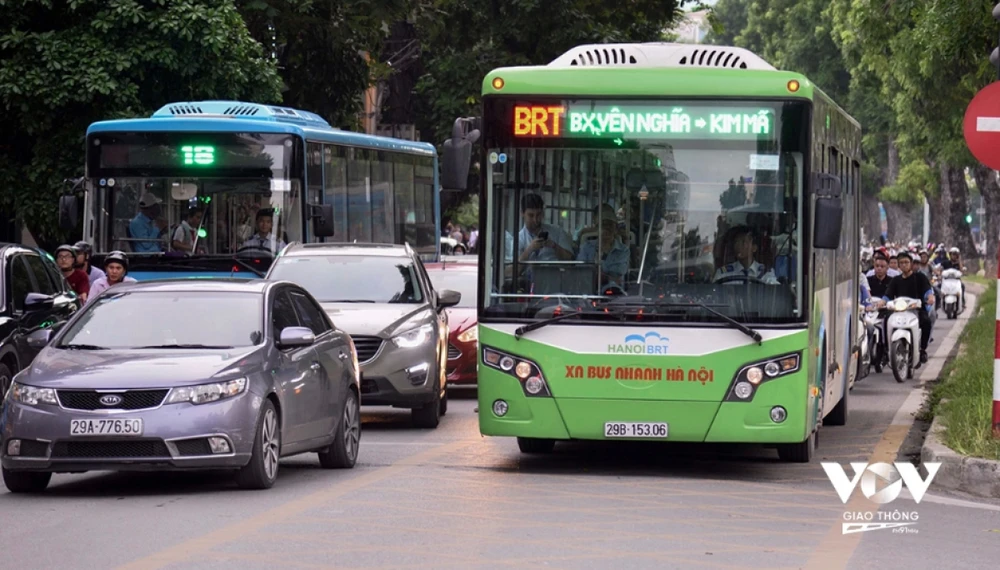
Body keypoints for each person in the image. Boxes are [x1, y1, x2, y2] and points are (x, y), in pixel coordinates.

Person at [883, 251, 935, 364]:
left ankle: (922, 349)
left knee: (926, 321)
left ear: (911, 263)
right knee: (886, 320)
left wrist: (930, 297)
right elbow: (888, 295)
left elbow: (927, 290)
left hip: (916, 309)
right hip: (899, 309)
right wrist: (882, 302)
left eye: (906, 262)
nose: (903, 265)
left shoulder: (920, 277)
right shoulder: (895, 280)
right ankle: (887, 350)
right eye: (901, 263)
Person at [577, 208, 631, 289]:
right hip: (588, 287)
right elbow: (580, 268)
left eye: (610, 225)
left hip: (614, 289)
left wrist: (597, 271)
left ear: (616, 229)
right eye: (603, 225)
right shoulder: (587, 247)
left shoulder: (623, 250)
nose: (607, 228)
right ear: (597, 228)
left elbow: (619, 271)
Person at [516, 193, 574, 263]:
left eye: (538, 215)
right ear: (522, 213)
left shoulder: (557, 231)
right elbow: (511, 270)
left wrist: (554, 246)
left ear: (543, 213)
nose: (535, 220)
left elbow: (571, 260)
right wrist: (529, 250)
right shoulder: (519, 239)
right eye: (531, 215)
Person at [713, 225, 779, 284]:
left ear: (754, 248)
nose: (738, 246)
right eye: (736, 242)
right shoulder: (723, 273)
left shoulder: (765, 272)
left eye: (743, 242)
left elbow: (774, 290)